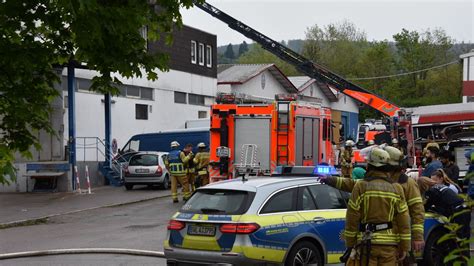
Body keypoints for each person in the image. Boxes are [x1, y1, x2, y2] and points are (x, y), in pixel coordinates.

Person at [344, 147, 410, 265]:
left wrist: (350, 243)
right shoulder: (397, 188)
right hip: (389, 247)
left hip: (367, 245)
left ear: (369, 165)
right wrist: (405, 246)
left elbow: (352, 217)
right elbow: (404, 219)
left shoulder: (361, 186)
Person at [424, 182, 471, 262]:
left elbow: (427, 206)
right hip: (465, 209)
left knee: (457, 237)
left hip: (457, 212)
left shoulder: (431, 191)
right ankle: (466, 260)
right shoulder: (440, 187)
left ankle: (459, 261)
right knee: (464, 237)